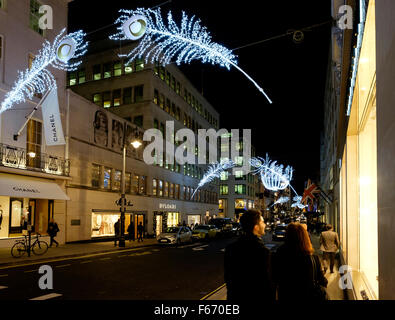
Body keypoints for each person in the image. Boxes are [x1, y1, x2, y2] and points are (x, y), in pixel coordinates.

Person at [224, 210, 274, 301]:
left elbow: (228, 279)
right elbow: (266, 283)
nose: (265, 225)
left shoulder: (231, 249)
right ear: (255, 227)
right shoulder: (262, 251)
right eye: (262, 222)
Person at [272, 223, 328, 301]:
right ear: (305, 237)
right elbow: (322, 280)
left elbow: (274, 277)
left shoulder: (279, 254)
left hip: (286, 296)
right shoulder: (313, 258)